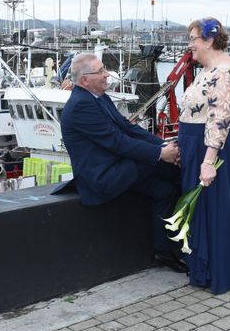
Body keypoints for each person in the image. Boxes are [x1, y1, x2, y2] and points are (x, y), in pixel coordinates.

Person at [58, 52, 187, 273]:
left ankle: (163, 250)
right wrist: (161, 154)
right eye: (99, 71)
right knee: (169, 168)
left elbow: (128, 128)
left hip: (120, 167)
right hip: (101, 177)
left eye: (104, 69)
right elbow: (116, 142)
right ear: (84, 80)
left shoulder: (98, 97)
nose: (106, 74)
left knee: (165, 190)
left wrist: (161, 145)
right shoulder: (81, 105)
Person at [178, 17, 230, 293]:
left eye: (193, 40)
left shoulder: (224, 74)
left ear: (209, 40)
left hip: (209, 148)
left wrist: (208, 162)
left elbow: (219, 120)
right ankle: (205, 268)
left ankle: (217, 272)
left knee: (213, 209)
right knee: (203, 211)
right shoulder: (208, 69)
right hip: (196, 146)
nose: (190, 46)